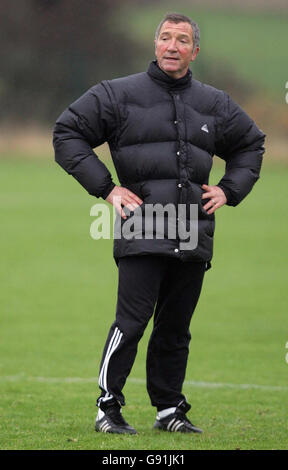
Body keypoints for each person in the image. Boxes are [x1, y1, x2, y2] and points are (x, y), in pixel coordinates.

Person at [53, 12, 265, 435]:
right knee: (131, 324)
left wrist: (229, 189)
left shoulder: (215, 103)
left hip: (193, 230)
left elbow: (251, 144)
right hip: (142, 227)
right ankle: (107, 408)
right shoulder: (116, 94)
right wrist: (108, 189)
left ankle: (169, 410)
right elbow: (67, 133)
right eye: (165, 38)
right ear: (155, 45)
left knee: (175, 328)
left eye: (182, 40)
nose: (172, 46)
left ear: (194, 51)